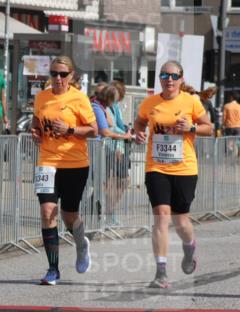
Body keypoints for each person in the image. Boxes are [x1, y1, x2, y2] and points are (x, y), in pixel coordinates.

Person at [133, 61, 214, 289]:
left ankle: (189, 248)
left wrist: (191, 128)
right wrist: (138, 133)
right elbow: (139, 123)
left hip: (185, 167)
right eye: (164, 75)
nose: (169, 79)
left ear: (181, 79)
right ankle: (161, 272)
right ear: (159, 78)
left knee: (181, 221)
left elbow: (209, 128)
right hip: (156, 167)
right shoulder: (150, 102)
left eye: (173, 76)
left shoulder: (191, 101)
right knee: (161, 215)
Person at [31, 56, 97, 286]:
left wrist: (69, 129)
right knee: (47, 211)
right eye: (54, 74)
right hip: (47, 162)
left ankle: (81, 244)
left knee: (69, 216)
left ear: (71, 76)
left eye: (62, 74)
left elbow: (93, 130)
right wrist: (35, 131)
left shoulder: (79, 99)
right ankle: (52, 269)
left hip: (75, 164)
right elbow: (37, 120)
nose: (57, 78)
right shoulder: (41, 97)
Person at [91, 85, 133, 223]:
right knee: (106, 184)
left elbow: (114, 124)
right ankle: (101, 213)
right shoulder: (99, 106)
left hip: (112, 147)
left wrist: (126, 133)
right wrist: (125, 136)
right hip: (108, 148)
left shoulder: (106, 107)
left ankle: (106, 213)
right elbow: (108, 129)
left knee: (114, 182)